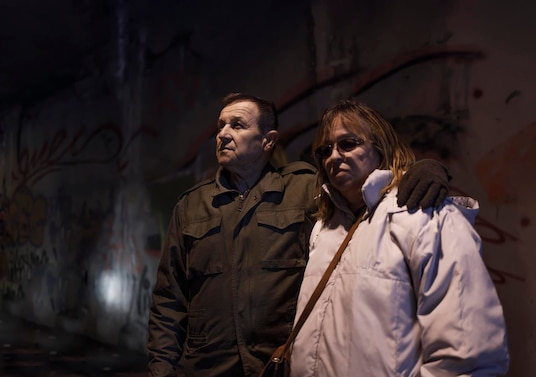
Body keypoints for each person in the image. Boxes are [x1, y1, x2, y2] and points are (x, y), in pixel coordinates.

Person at [147, 93, 451, 377]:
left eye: (237, 125)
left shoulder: (304, 190)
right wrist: (161, 370)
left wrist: (425, 169)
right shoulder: (191, 206)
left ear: (268, 141)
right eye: (221, 125)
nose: (223, 133)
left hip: (280, 364)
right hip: (208, 367)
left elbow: (362, 188)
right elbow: (169, 299)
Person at [290, 99, 510, 377]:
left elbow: (468, 352)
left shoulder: (424, 214)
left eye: (348, 144)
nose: (334, 156)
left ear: (379, 150)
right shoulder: (324, 229)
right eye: (325, 150)